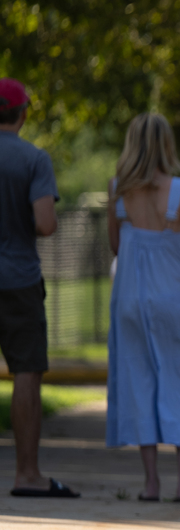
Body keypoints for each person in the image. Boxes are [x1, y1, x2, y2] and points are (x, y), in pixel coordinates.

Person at [105, 113, 180, 502]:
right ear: (166, 145)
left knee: (140, 381)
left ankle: (150, 483)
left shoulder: (117, 190)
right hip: (175, 299)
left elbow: (116, 246)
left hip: (130, 301)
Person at [0, 78, 79, 499]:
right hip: (19, 280)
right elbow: (46, 223)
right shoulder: (34, 158)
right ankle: (27, 474)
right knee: (26, 372)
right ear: (23, 112)